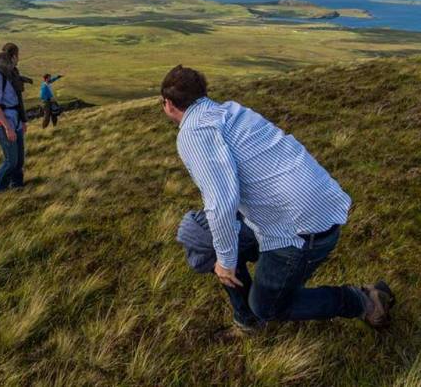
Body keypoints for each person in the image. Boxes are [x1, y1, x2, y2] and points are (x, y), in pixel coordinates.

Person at [161, 64, 395, 335]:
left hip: (299, 233)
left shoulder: (193, 131)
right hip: (319, 211)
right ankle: (246, 320)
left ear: (167, 104)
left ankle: (363, 301)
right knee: (198, 232)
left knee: (268, 307)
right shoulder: (230, 111)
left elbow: (221, 201)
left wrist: (225, 260)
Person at [0, 50, 28, 192]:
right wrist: (8, 128)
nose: (18, 60)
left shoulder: (9, 74)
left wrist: (21, 121)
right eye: (16, 57)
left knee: (19, 160)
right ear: (11, 58)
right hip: (4, 124)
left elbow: (16, 100)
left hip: (15, 121)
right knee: (11, 161)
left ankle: (17, 184)